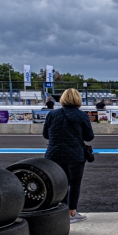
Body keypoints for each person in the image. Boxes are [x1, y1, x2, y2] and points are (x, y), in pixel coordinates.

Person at [43, 88, 94, 223]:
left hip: (54, 154)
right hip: (75, 154)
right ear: (78, 99)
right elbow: (89, 137)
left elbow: (45, 135)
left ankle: (63, 210)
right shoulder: (82, 115)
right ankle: (72, 212)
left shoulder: (52, 114)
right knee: (75, 183)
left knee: (61, 183)